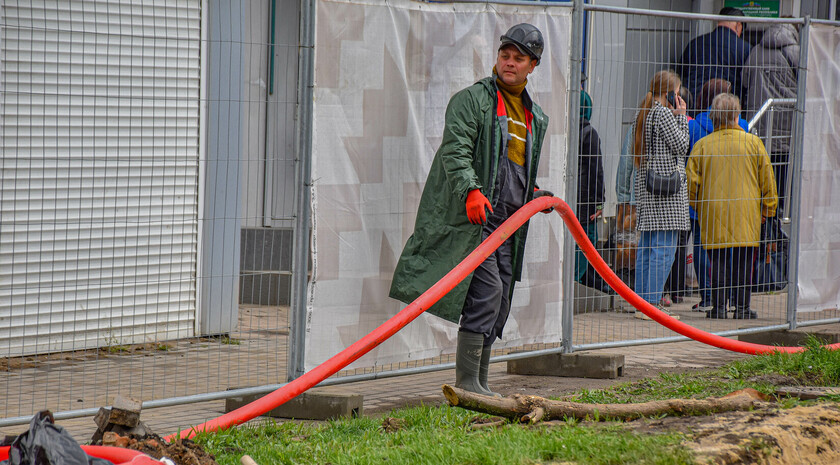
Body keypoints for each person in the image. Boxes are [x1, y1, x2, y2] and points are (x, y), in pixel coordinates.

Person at [389, 24, 551, 395]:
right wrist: (471, 191)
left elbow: (516, 165)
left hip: (510, 223)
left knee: (501, 298)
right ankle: (466, 384)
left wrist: (533, 193)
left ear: (532, 65)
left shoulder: (534, 117)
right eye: (504, 55)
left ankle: (480, 384)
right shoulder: (472, 101)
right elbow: (456, 151)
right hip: (476, 219)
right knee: (488, 291)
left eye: (518, 58)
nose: (509, 63)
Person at [687, 93, 778, 320]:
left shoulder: (702, 146)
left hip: (713, 211)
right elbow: (768, 180)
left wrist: (699, 207)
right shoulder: (753, 144)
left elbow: (691, 185)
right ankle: (742, 309)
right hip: (747, 212)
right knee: (743, 263)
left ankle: (718, 308)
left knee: (717, 261)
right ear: (737, 116)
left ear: (714, 116)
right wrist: (767, 209)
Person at [686, 78, 749, 312]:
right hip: (736, 199)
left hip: (704, 201)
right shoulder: (744, 128)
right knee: (733, 247)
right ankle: (732, 297)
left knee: (703, 247)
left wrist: (695, 201)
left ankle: (709, 297)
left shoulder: (694, 127)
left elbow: (690, 170)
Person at [632, 70, 689, 320]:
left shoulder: (644, 111)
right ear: (667, 92)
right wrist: (682, 118)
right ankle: (653, 305)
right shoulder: (664, 113)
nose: (677, 97)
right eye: (676, 93)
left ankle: (642, 302)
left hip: (647, 186)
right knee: (664, 249)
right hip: (666, 191)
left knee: (647, 247)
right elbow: (681, 145)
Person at [742, 23, 800, 211]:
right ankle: (778, 231)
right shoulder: (796, 52)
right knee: (783, 187)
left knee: (759, 186)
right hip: (787, 134)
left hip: (757, 129)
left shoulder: (755, 51)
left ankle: (764, 229)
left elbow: (744, 81)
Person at [677, 7, 751, 107]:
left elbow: (682, 70)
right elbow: (747, 79)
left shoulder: (696, 43)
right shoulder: (745, 48)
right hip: (726, 106)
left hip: (696, 102)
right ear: (738, 25)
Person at [575, 90, 609, 293]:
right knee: (586, 243)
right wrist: (599, 202)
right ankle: (576, 282)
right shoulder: (589, 133)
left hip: (570, 199)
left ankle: (589, 282)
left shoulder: (566, 129)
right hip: (586, 200)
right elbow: (596, 170)